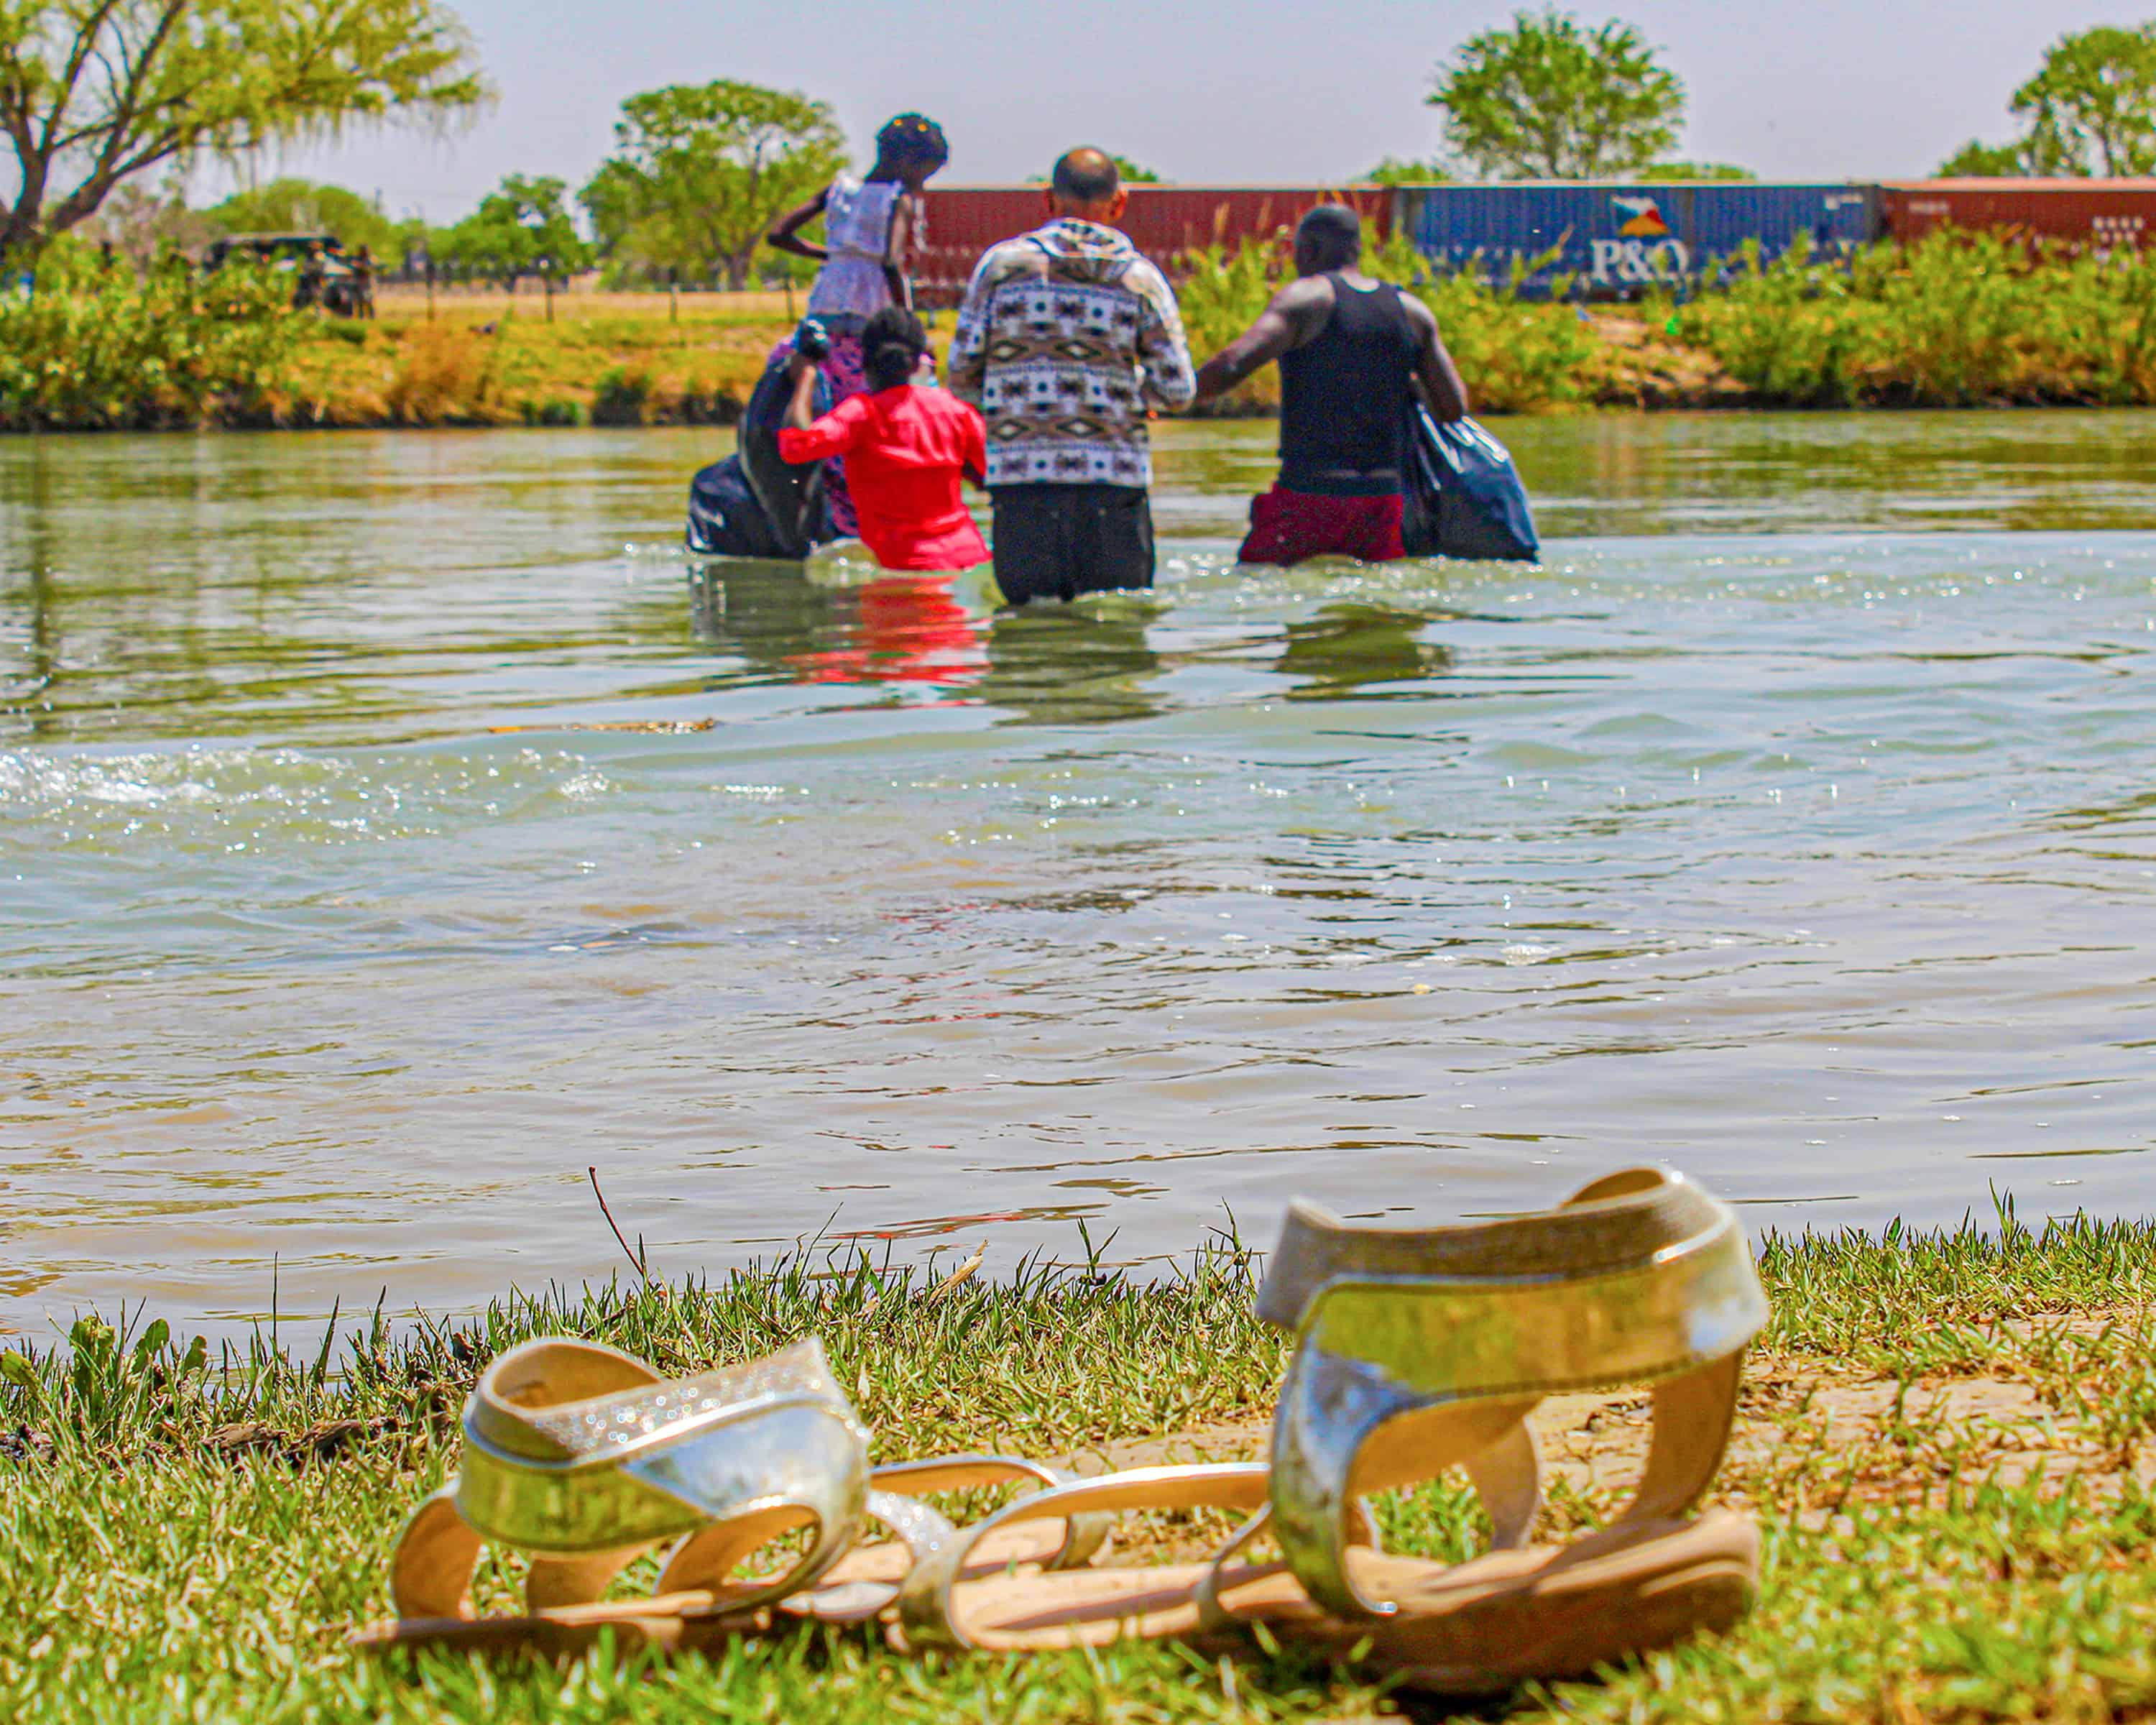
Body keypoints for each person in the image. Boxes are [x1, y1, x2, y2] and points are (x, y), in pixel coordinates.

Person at [948, 148, 1194, 606]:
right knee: (1116, 635)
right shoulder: (1140, 280)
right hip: (1115, 486)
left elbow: (961, 375)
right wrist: (1124, 389)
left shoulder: (1002, 269)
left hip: (1022, 484)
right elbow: (1178, 390)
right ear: (1119, 203)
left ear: (1048, 200)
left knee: (1032, 638)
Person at [1189, 204, 1469, 566]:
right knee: (1372, 615)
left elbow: (1232, 364)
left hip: (1309, 495)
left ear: (1309, 249)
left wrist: (1169, 393)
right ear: (1358, 249)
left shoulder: (1306, 299)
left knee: (1255, 583)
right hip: (1385, 503)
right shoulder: (1412, 312)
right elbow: (1453, 408)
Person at [765, 114, 951, 537]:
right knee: (873, 407)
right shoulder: (897, 197)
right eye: (926, 173)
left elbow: (779, 235)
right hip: (870, 311)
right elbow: (890, 261)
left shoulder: (838, 189)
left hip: (825, 307)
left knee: (822, 398)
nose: (924, 184)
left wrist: (835, 255)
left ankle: (820, 508)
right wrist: (910, 326)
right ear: (907, 161)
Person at [776, 305, 990, 572]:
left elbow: (794, 446)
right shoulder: (954, 410)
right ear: (915, 363)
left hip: (900, 568)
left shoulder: (861, 415)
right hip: (969, 560)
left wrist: (806, 375)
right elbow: (994, 473)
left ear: (863, 363)